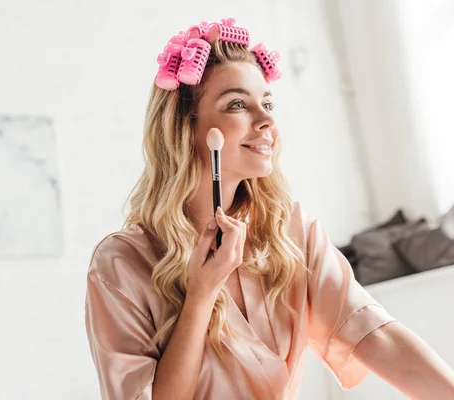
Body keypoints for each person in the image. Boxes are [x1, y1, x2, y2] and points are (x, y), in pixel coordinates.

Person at [84, 18, 454, 400]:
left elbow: (373, 332)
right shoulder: (120, 264)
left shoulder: (292, 231)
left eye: (267, 103)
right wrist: (201, 295)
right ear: (185, 128)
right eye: (238, 104)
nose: (266, 121)